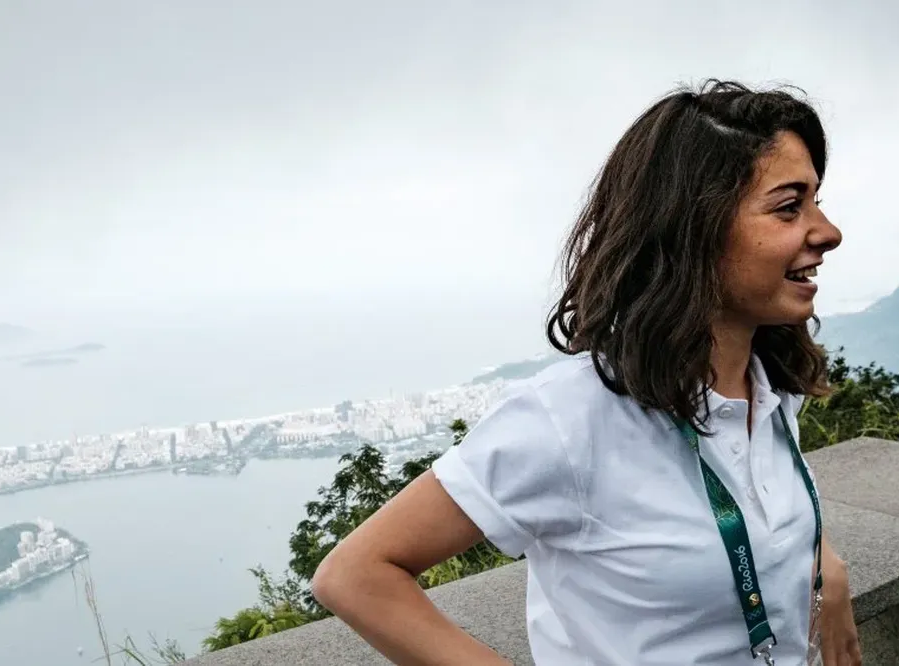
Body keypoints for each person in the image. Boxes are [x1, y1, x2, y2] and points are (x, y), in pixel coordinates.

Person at [311, 79, 862, 665]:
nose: (828, 231)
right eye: (789, 207)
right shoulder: (571, 418)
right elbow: (355, 574)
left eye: (816, 201)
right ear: (693, 228)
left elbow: (753, 501)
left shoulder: (768, 386)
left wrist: (823, 565)